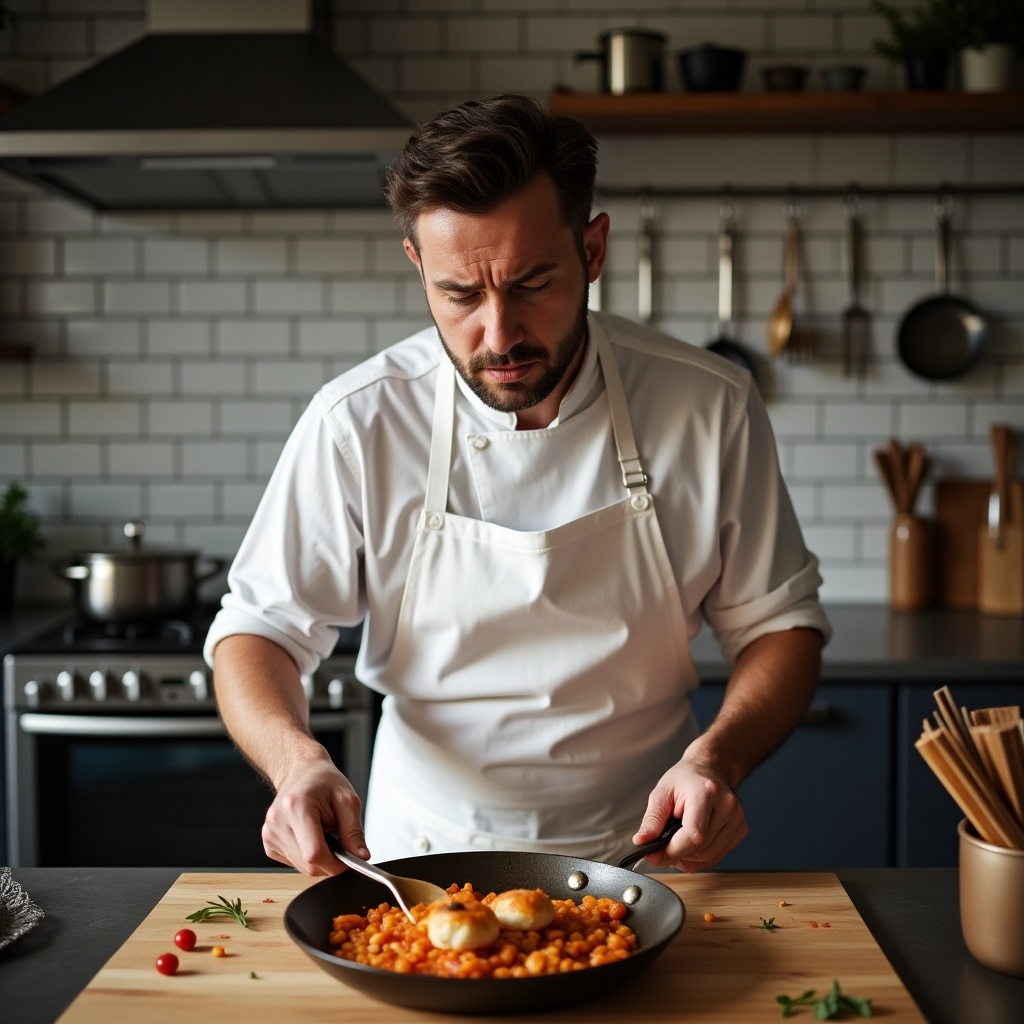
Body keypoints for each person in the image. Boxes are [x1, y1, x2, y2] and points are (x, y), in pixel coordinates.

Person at [204, 93, 830, 878]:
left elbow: (781, 625)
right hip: (418, 866)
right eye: (460, 295)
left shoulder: (709, 406)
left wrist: (718, 762)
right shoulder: (356, 422)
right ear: (417, 267)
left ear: (593, 251)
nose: (498, 335)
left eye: (533, 283)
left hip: (645, 859)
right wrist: (295, 764)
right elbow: (258, 630)